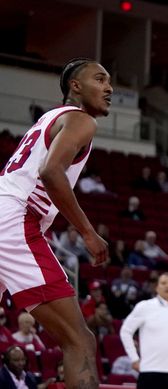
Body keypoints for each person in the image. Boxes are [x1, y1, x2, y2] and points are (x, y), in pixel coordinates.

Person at [0, 57, 111, 389]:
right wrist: (88, 233)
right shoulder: (80, 120)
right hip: (15, 219)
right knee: (80, 340)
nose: (108, 88)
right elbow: (51, 172)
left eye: (110, 83)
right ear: (75, 86)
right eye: (100, 79)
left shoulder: (49, 118)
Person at [119, 272, 168, 389]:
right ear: (157, 287)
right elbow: (125, 331)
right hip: (149, 371)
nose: (167, 286)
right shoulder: (145, 307)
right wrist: (134, 358)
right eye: (163, 283)